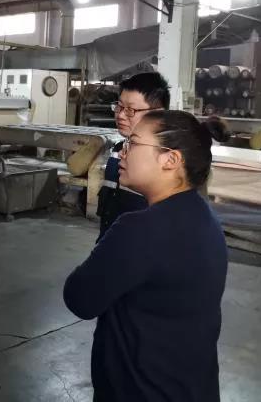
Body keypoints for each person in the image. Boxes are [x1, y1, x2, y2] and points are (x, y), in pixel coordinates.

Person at [63, 111, 230, 402]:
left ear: (170, 160)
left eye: (133, 143)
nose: (122, 151)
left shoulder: (141, 229)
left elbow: (79, 298)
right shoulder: (205, 218)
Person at [97, 72, 170, 240]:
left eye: (130, 110)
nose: (120, 115)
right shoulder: (118, 149)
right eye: (119, 106)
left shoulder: (163, 161)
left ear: (157, 112)